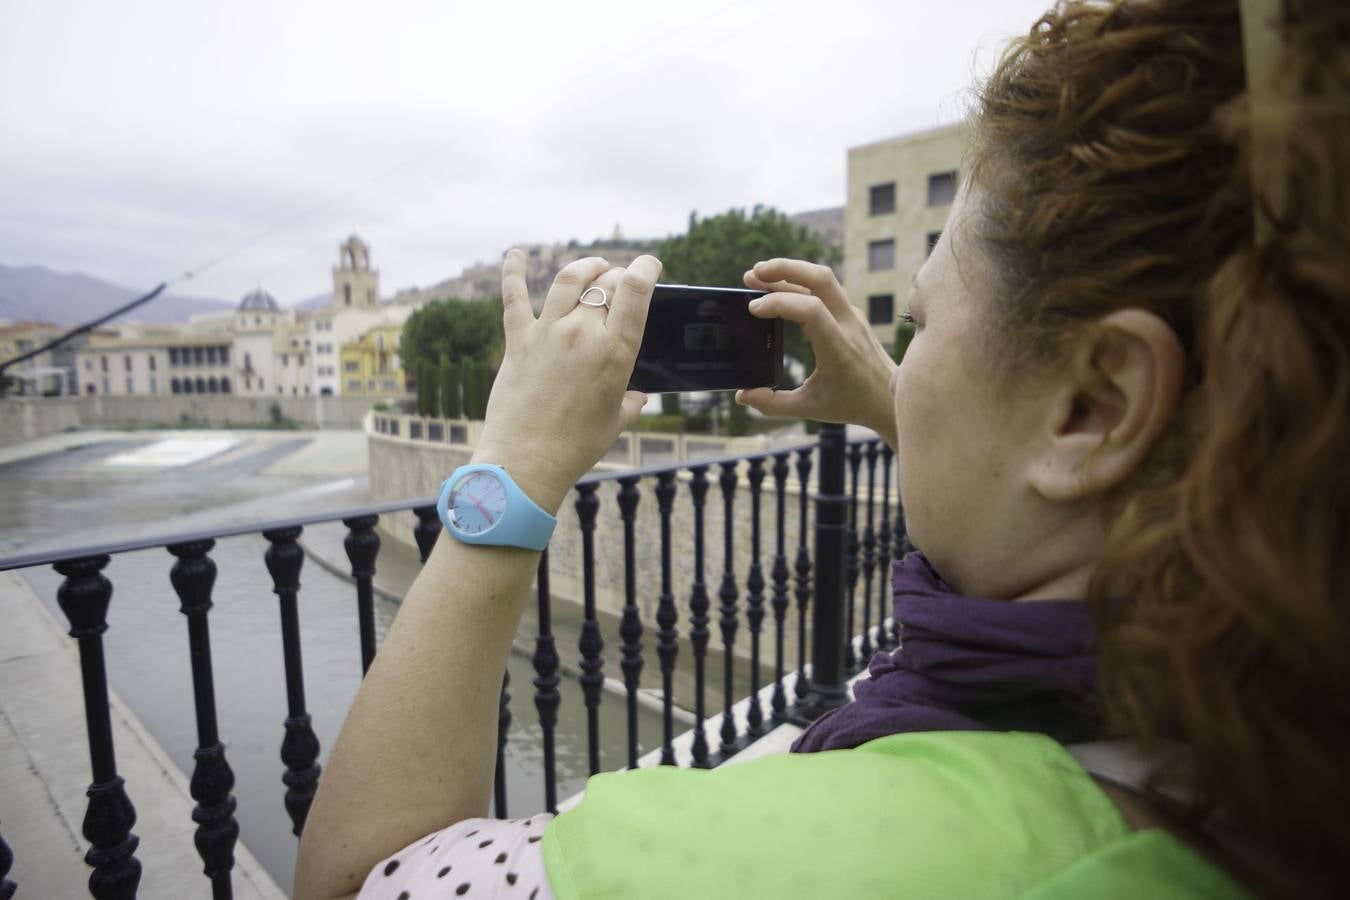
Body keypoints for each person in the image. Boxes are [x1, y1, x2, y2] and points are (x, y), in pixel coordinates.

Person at [295, 0, 1348, 897]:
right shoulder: (1280, 719)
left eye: (923, 324)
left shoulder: (788, 861)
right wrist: (900, 406)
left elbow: (366, 876)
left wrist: (512, 471)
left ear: (1095, 407)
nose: (907, 351)